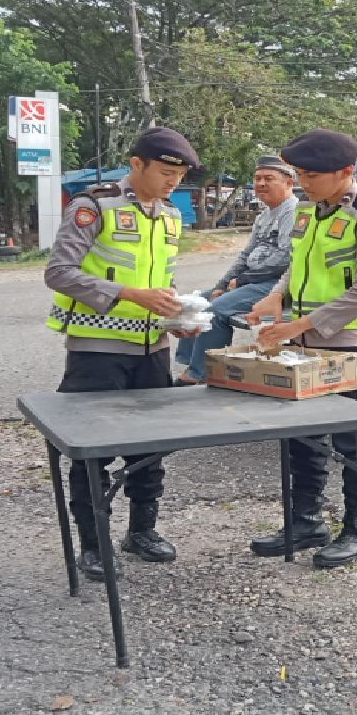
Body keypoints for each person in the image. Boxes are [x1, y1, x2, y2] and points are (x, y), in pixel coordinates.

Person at [44, 126, 201, 582]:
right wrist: (130, 294)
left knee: (151, 447)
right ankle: (93, 544)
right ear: (137, 164)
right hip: (98, 348)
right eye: (166, 171)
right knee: (92, 451)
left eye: (180, 174)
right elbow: (59, 272)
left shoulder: (170, 215)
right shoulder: (94, 206)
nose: (173, 181)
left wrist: (179, 316)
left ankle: (142, 531)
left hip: (154, 346)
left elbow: (162, 281)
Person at [243, 129, 357, 569]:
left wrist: (299, 324)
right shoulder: (311, 213)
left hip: (349, 347)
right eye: (300, 175)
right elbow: (298, 265)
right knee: (302, 438)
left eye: (311, 175)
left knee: (354, 442)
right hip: (303, 346)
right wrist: (276, 297)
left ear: (346, 172)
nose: (303, 183)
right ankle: (306, 521)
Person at [173, 156, 300, 384]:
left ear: (289, 183)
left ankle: (202, 374)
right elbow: (244, 255)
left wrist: (240, 281)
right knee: (196, 303)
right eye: (258, 178)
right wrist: (222, 284)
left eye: (269, 179)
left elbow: (285, 258)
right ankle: (190, 363)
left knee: (216, 310)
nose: (261, 184)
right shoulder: (263, 215)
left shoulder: (293, 212)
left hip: (276, 285)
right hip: (252, 282)